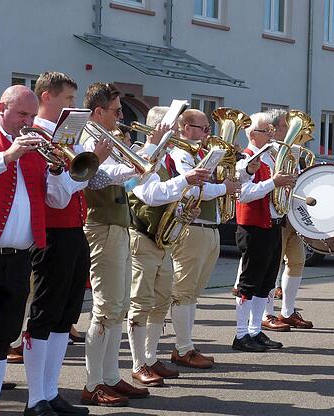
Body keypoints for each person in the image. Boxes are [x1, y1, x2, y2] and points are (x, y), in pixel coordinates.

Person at [22, 72, 112, 416]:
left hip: (75, 230)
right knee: (45, 315)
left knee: (65, 315)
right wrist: (91, 166)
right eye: (68, 100)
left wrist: (94, 164)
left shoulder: (67, 139)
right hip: (51, 234)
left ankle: (50, 391)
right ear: (47, 97)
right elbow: (56, 196)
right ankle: (35, 400)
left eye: (74, 101)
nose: (73, 107)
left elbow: (85, 182)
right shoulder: (36, 136)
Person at [0, 85, 78, 416]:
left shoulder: (38, 149)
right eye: (21, 114)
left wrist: (56, 172)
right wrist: (8, 156)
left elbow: (57, 200)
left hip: (20, 258)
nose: (27, 122)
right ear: (1, 108)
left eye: (29, 115)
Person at [127, 107, 210, 385]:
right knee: (140, 303)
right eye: (173, 128)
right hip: (142, 236)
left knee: (160, 302)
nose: (178, 133)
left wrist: (184, 211)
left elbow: (170, 198)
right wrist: (185, 181)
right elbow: (150, 195)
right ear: (157, 129)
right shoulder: (142, 156)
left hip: (162, 240)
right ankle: (139, 363)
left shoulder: (167, 160)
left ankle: (150, 358)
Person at [81, 83, 149, 407]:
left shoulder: (108, 138)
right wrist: (131, 168)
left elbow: (122, 176)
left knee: (119, 307)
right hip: (102, 225)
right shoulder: (88, 139)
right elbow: (96, 178)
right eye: (116, 110)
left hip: (119, 224)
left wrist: (137, 163)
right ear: (98, 112)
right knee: (106, 308)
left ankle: (110, 376)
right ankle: (93, 382)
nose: (121, 116)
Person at [169, 109, 239, 369]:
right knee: (183, 291)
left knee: (193, 293)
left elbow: (225, 184)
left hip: (210, 228)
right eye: (204, 128)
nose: (209, 134)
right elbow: (193, 189)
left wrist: (244, 173)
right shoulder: (181, 155)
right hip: (193, 227)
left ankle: (186, 344)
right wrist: (224, 188)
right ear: (186, 128)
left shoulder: (200, 154)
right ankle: (182, 347)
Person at [231, 112, 295, 352]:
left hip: (272, 225)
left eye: (271, 131)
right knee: (249, 282)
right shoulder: (245, 159)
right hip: (253, 227)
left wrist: (286, 183)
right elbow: (244, 194)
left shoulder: (270, 158)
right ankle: (240, 335)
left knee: (266, 283)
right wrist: (274, 183)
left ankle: (255, 331)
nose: (271, 134)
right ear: (251, 134)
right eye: (266, 131)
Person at [261, 109, 314, 332]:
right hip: (274, 215)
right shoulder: (266, 153)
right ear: (274, 130)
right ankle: (267, 313)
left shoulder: (292, 152)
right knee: (271, 266)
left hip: (293, 214)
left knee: (297, 261)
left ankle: (288, 310)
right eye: (286, 125)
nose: (292, 129)